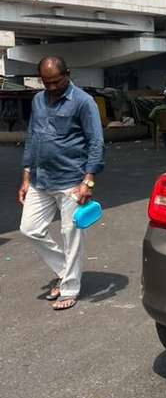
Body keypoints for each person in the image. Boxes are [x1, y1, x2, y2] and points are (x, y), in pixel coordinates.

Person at [18, 57, 105, 310]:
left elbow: (96, 142)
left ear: (67, 74)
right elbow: (32, 137)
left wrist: (88, 181)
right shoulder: (38, 100)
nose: (52, 87)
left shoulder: (83, 102)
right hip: (40, 178)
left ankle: (69, 287)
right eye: (47, 82)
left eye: (56, 81)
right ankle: (65, 270)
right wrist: (26, 175)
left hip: (71, 180)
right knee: (30, 228)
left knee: (71, 235)